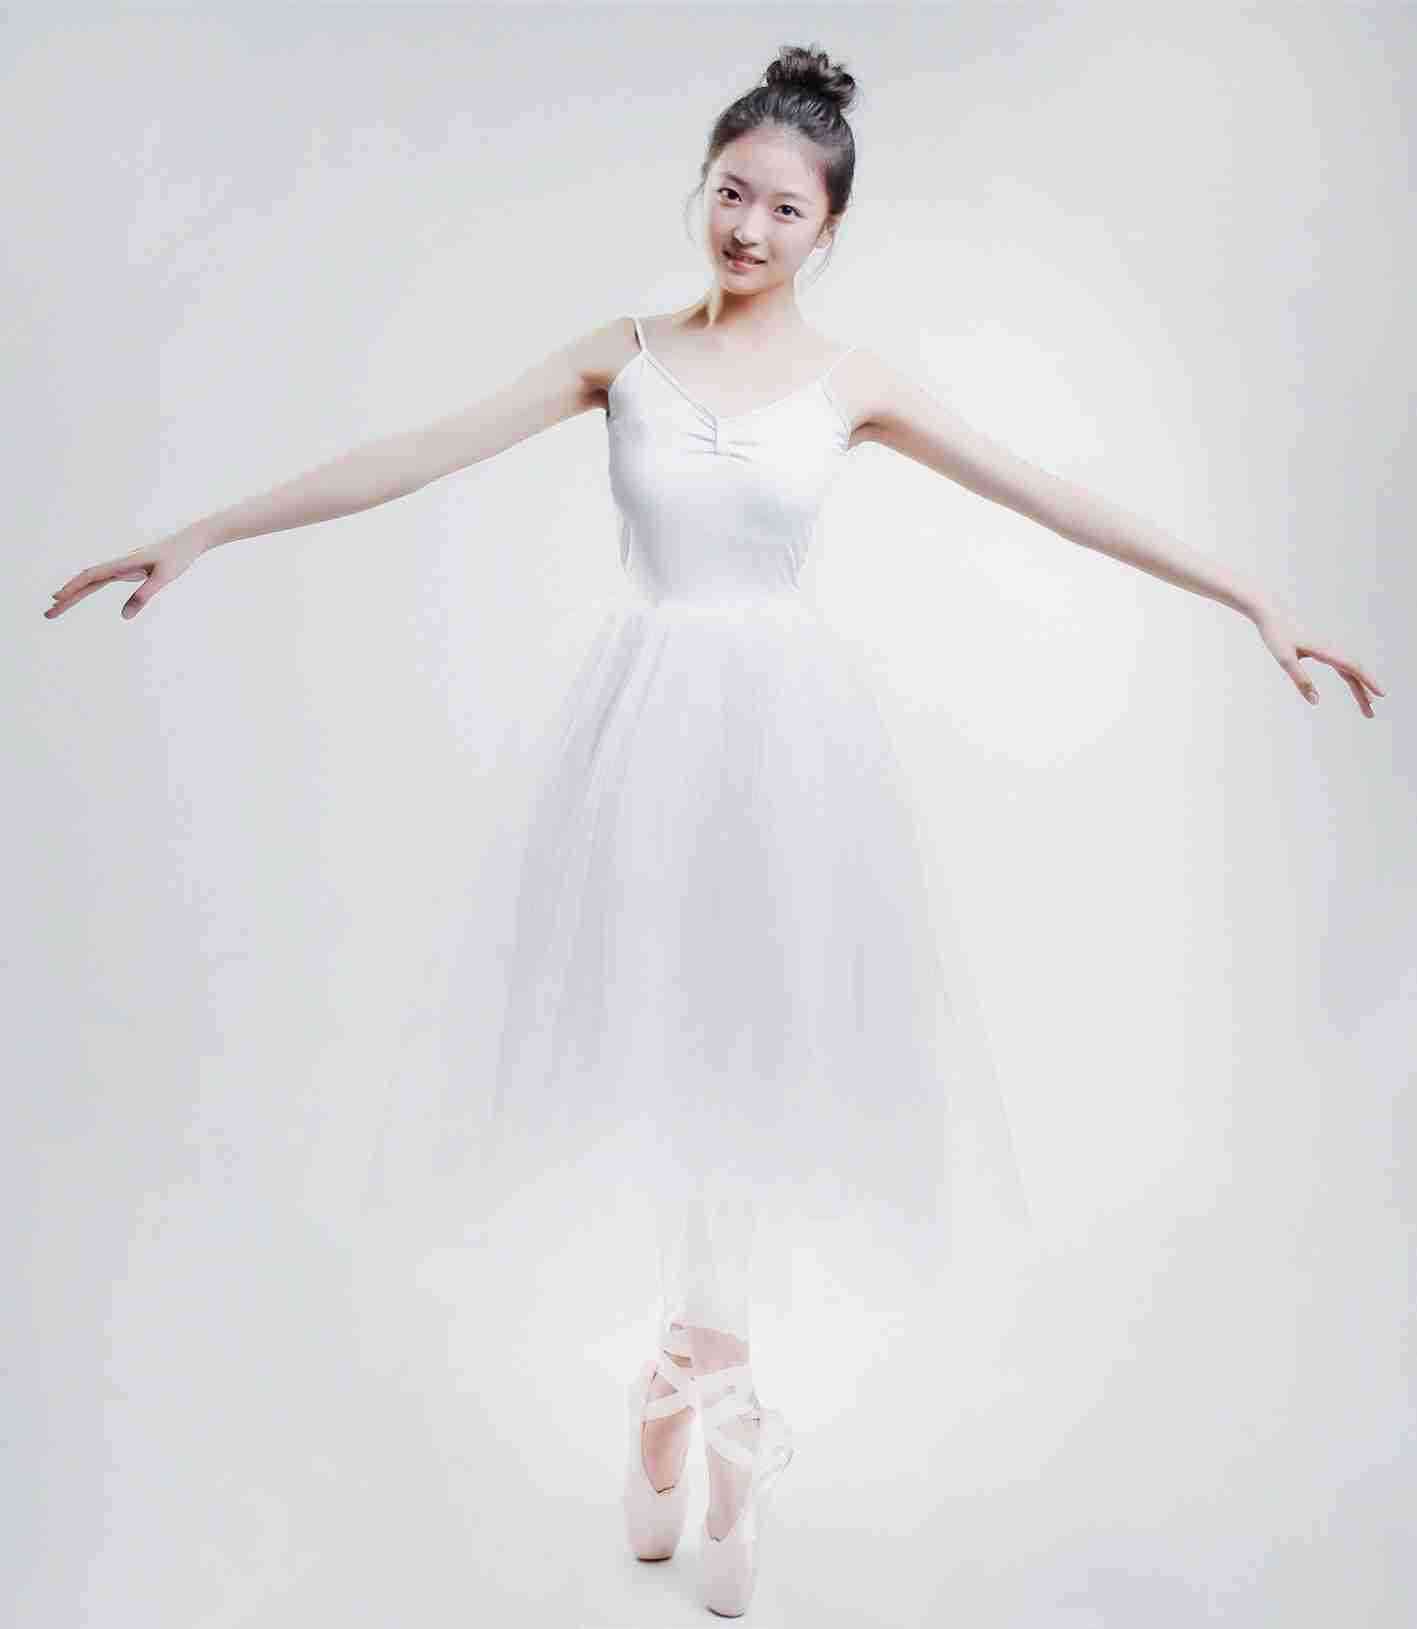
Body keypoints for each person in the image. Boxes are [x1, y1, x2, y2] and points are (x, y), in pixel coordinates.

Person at [44, 42, 1385, 1621]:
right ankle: (702, 1394)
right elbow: (412, 450)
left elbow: (1046, 493)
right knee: (677, 1050)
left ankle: (696, 1388)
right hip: (641, 735)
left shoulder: (855, 382)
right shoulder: (620, 355)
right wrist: (202, 528)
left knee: (749, 1052)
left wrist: (1251, 596)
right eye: (731, 193)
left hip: (789, 750)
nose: (748, 227)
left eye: (784, 208)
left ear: (830, 228)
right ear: (702, 189)